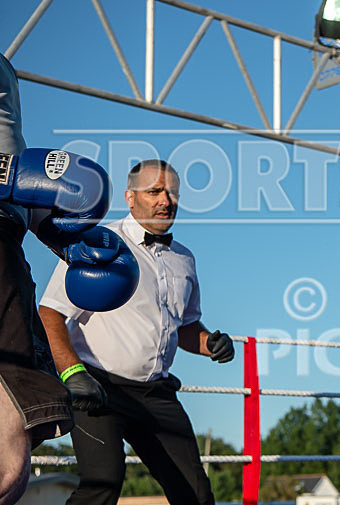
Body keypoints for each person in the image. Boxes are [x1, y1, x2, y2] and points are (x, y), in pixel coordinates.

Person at [38, 159, 235, 505]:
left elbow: (185, 326)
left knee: (197, 494)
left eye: (172, 193)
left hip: (157, 394)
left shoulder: (184, 259)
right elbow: (50, 311)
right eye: (155, 191)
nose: (165, 200)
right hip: (99, 388)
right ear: (130, 197)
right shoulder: (98, 241)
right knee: (103, 485)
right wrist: (72, 372)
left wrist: (210, 343)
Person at [0, 54, 138, 504]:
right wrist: (7, 176)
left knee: (10, 455)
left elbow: (11, 162)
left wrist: (60, 235)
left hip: (4, 249)